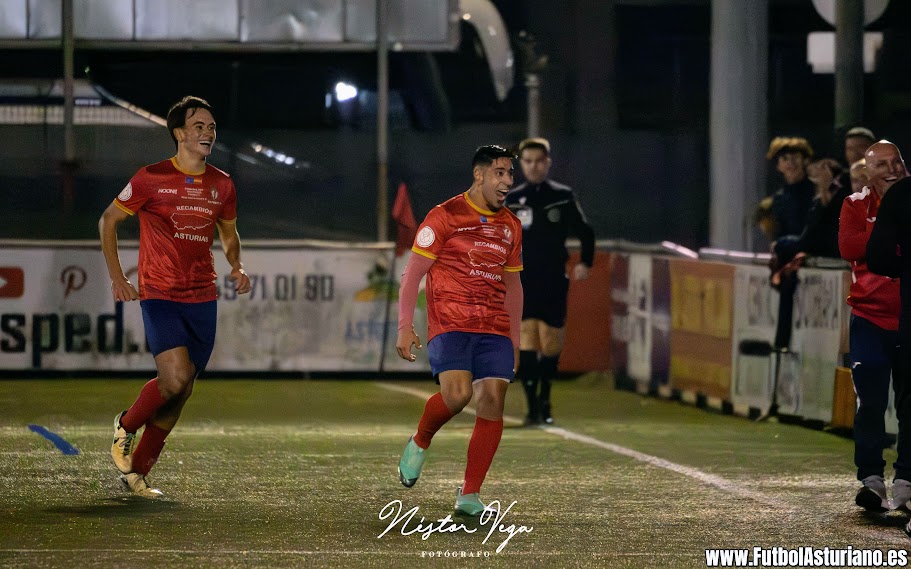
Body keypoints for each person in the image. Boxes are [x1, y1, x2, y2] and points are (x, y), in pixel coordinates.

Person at [98, 96, 251, 498]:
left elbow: (229, 233)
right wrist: (117, 277)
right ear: (180, 133)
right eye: (199, 125)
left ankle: (137, 475)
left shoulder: (222, 183)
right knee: (174, 377)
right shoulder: (150, 177)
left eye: (212, 127)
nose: (207, 133)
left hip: (203, 295)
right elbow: (108, 220)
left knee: (182, 389)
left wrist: (236, 265)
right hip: (160, 292)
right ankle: (126, 425)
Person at [395, 145, 523, 516]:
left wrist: (514, 342)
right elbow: (413, 275)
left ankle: (469, 495)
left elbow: (513, 288)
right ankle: (420, 440)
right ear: (479, 175)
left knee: (494, 399)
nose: (507, 182)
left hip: (494, 325)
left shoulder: (511, 226)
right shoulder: (444, 216)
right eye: (500, 173)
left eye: (510, 174)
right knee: (457, 396)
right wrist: (406, 326)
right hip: (450, 322)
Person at [505, 137, 594, 425]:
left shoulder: (562, 196)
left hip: (554, 277)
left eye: (538, 161)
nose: (533, 166)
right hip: (523, 279)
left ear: (547, 163)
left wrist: (585, 262)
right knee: (528, 337)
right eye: (528, 161)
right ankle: (533, 409)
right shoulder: (511, 199)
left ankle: (545, 396)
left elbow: (585, 231)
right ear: (522, 164)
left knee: (551, 342)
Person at [838, 148, 903, 511]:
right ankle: (872, 479)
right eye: (883, 165)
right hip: (869, 319)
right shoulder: (854, 204)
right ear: (867, 172)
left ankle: (907, 479)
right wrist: (892, 231)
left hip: (908, 318)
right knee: (871, 402)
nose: (893, 170)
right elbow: (849, 247)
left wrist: (875, 237)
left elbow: (866, 246)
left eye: (898, 163)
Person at [866, 141, 911, 510]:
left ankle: (907, 479)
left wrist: (904, 271)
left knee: (908, 398)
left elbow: (877, 256)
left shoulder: (900, 198)